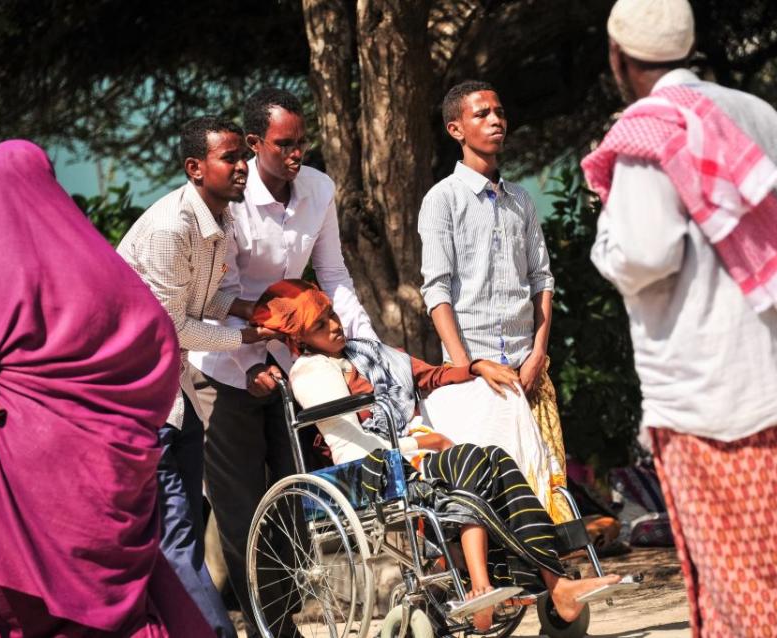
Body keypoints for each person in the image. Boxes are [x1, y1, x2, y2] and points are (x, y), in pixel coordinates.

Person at [585, 0, 777, 635]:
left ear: (619, 56)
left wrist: (604, 244)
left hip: (703, 395)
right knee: (773, 574)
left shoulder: (645, 131)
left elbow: (642, 255)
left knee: (742, 586)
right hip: (775, 379)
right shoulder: (756, 115)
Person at [0, 140, 213, 636]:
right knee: (114, 615)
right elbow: (156, 333)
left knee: (25, 619)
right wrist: (131, 422)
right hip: (104, 470)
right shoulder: (90, 261)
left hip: (12, 467)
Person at [253, 279, 621, 632]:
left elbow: (428, 375)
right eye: (321, 324)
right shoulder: (310, 372)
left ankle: (547, 585)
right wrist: (420, 446)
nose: (334, 325)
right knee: (473, 462)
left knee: (498, 461)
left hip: (408, 452)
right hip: (372, 468)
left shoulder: (367, 351)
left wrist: (475, 367)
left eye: (332, 314)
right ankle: (485, 585)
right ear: (299, 337)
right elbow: (350, 442)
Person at [186, 87, 377, 638]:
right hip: (222, 364)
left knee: (293, 496)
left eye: (303, 142)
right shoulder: (230, 201)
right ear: (253, 144)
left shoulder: (319, 188)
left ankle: (283, 615)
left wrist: (364, 347)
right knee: (243, 504)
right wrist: (246, 364)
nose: (297, 154)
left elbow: (334, 277)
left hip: (287, 361)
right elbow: (216, 295)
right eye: (283, 144)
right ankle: (266, 626)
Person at [118, 116, 265, 637]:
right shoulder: (169, 228)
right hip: (142, 402)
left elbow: (205, 299)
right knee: (175, 537)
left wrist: (255, 311)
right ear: (195, 168)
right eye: (230, 157)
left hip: (175, 393)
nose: (243, 166)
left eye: (243, 156)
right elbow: (171, 325)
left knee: (182, 534)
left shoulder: (220, 219)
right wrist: (246, 338)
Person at [418, 80, 573, 523]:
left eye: (499, 112)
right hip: (479, 372)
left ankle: (546, 585)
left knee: (542, 481)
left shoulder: (521, 200)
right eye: (481, 114)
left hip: (528, 367)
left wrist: (538, 355)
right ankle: (502, 586)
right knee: (492, 494)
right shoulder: (442, 200)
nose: (495, 121)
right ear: (456, 129)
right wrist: (465, 368)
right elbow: (437, 290)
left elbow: (542, 279)